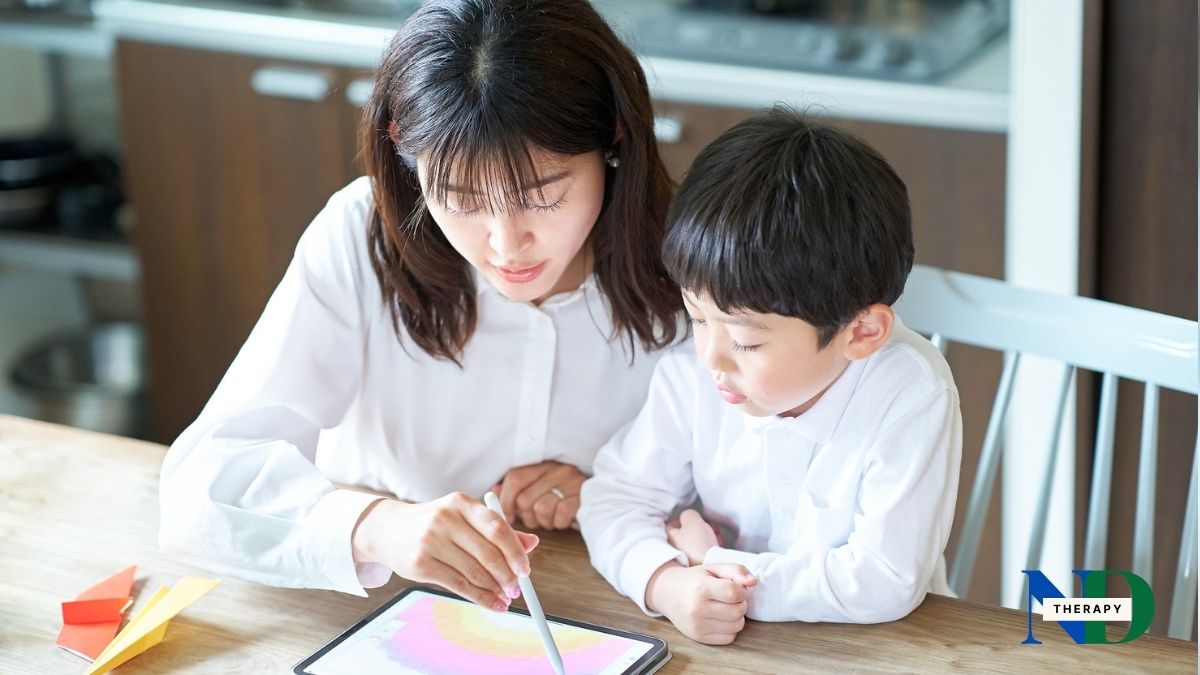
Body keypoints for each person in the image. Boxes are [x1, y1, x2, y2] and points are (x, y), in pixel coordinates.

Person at [158, 0, 682, 615]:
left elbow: (754, 491)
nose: (506, 244)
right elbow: (197, 494)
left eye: (542, 195)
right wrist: (377, 526)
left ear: (612, 137)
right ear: (404, 149)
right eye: (460, 197)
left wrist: (621, 494)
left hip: (603, 606)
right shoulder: (362, 236)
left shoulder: (692, 259)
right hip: (378, 611)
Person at [578, 107, 962, 645]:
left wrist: (713, 566)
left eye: (746, 341)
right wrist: (665, 582)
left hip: (886, 649)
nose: (711, 356)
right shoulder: (693, 373)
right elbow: (613, 498)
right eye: (697, 317)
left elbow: (885, 581)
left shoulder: (909, 392)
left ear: (861, 332)